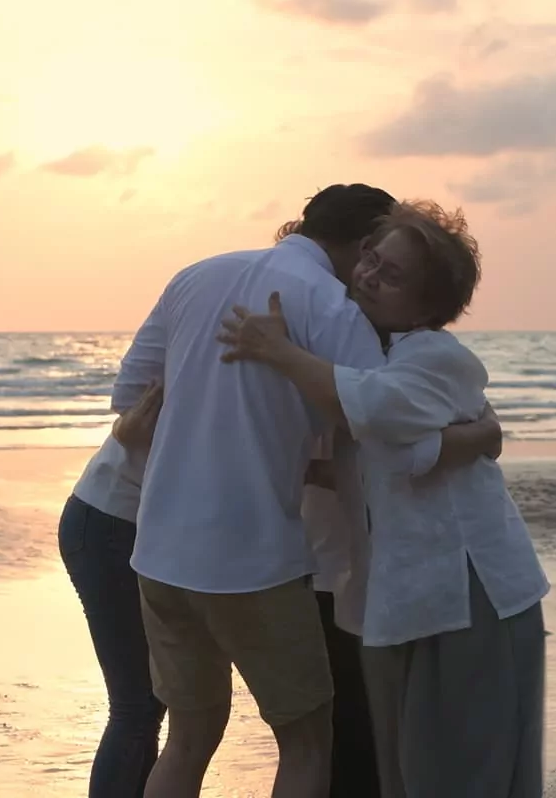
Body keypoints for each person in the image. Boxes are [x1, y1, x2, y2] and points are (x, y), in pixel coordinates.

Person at [217, 200, 551, 798]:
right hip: (403, 594)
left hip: (470, 588)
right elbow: (376, 454)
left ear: (426, 307)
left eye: (391, 274)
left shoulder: (434, 355)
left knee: (464, 769)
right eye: (371, 258)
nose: (368, 275)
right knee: (407, 769)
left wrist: (278, 351)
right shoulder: (378, 352)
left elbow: (377, 416)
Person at [112, 184, 426, 798]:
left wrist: (210, 413)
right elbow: (385, 421)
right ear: (367, 243)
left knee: (188, 737)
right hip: (251, 559)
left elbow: (131, 398)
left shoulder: (196, 275)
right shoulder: (330, 305)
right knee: (305, 740)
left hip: (159, 550)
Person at [58, 383, 167, 798]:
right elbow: (124, 395)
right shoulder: (191, 349)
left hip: (126, 526)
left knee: (148, 703)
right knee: (137, 705)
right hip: (109, 523)